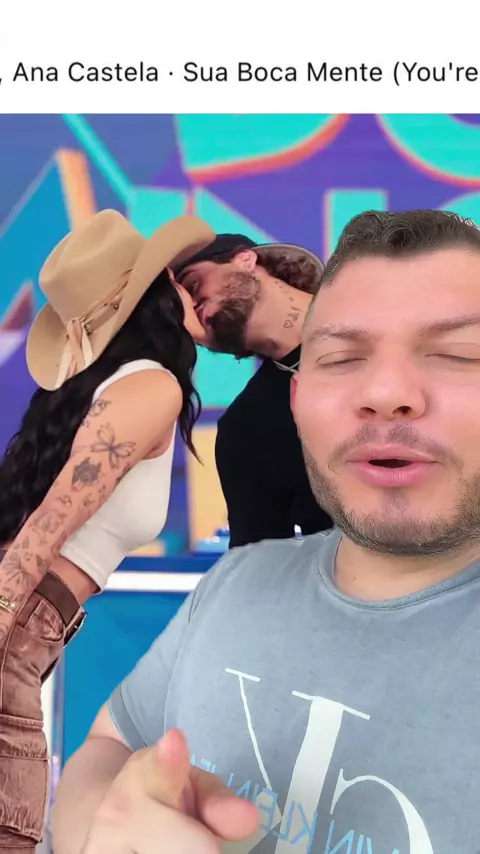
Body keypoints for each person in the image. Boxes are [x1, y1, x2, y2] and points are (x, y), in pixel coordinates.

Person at [53, 208, 480, 854]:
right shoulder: (238, 577)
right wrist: (101, 827)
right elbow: (112, 743)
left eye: (454, 354)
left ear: (246, 258)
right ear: (300, 400)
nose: (387, 390)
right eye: (341, 358)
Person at [0, 208, 215, 853]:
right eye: (172, 277)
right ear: (153, 297)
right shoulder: (150, 386)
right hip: (19, 618)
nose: (186, 286)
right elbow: (47, 525)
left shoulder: (105, 387)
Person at [174, 234, 333, 547]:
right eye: (179, 314)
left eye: (192, 285)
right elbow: (260, 565)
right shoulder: (245, 428)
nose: (192, 308)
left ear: (245, 260)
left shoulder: (394, 328)